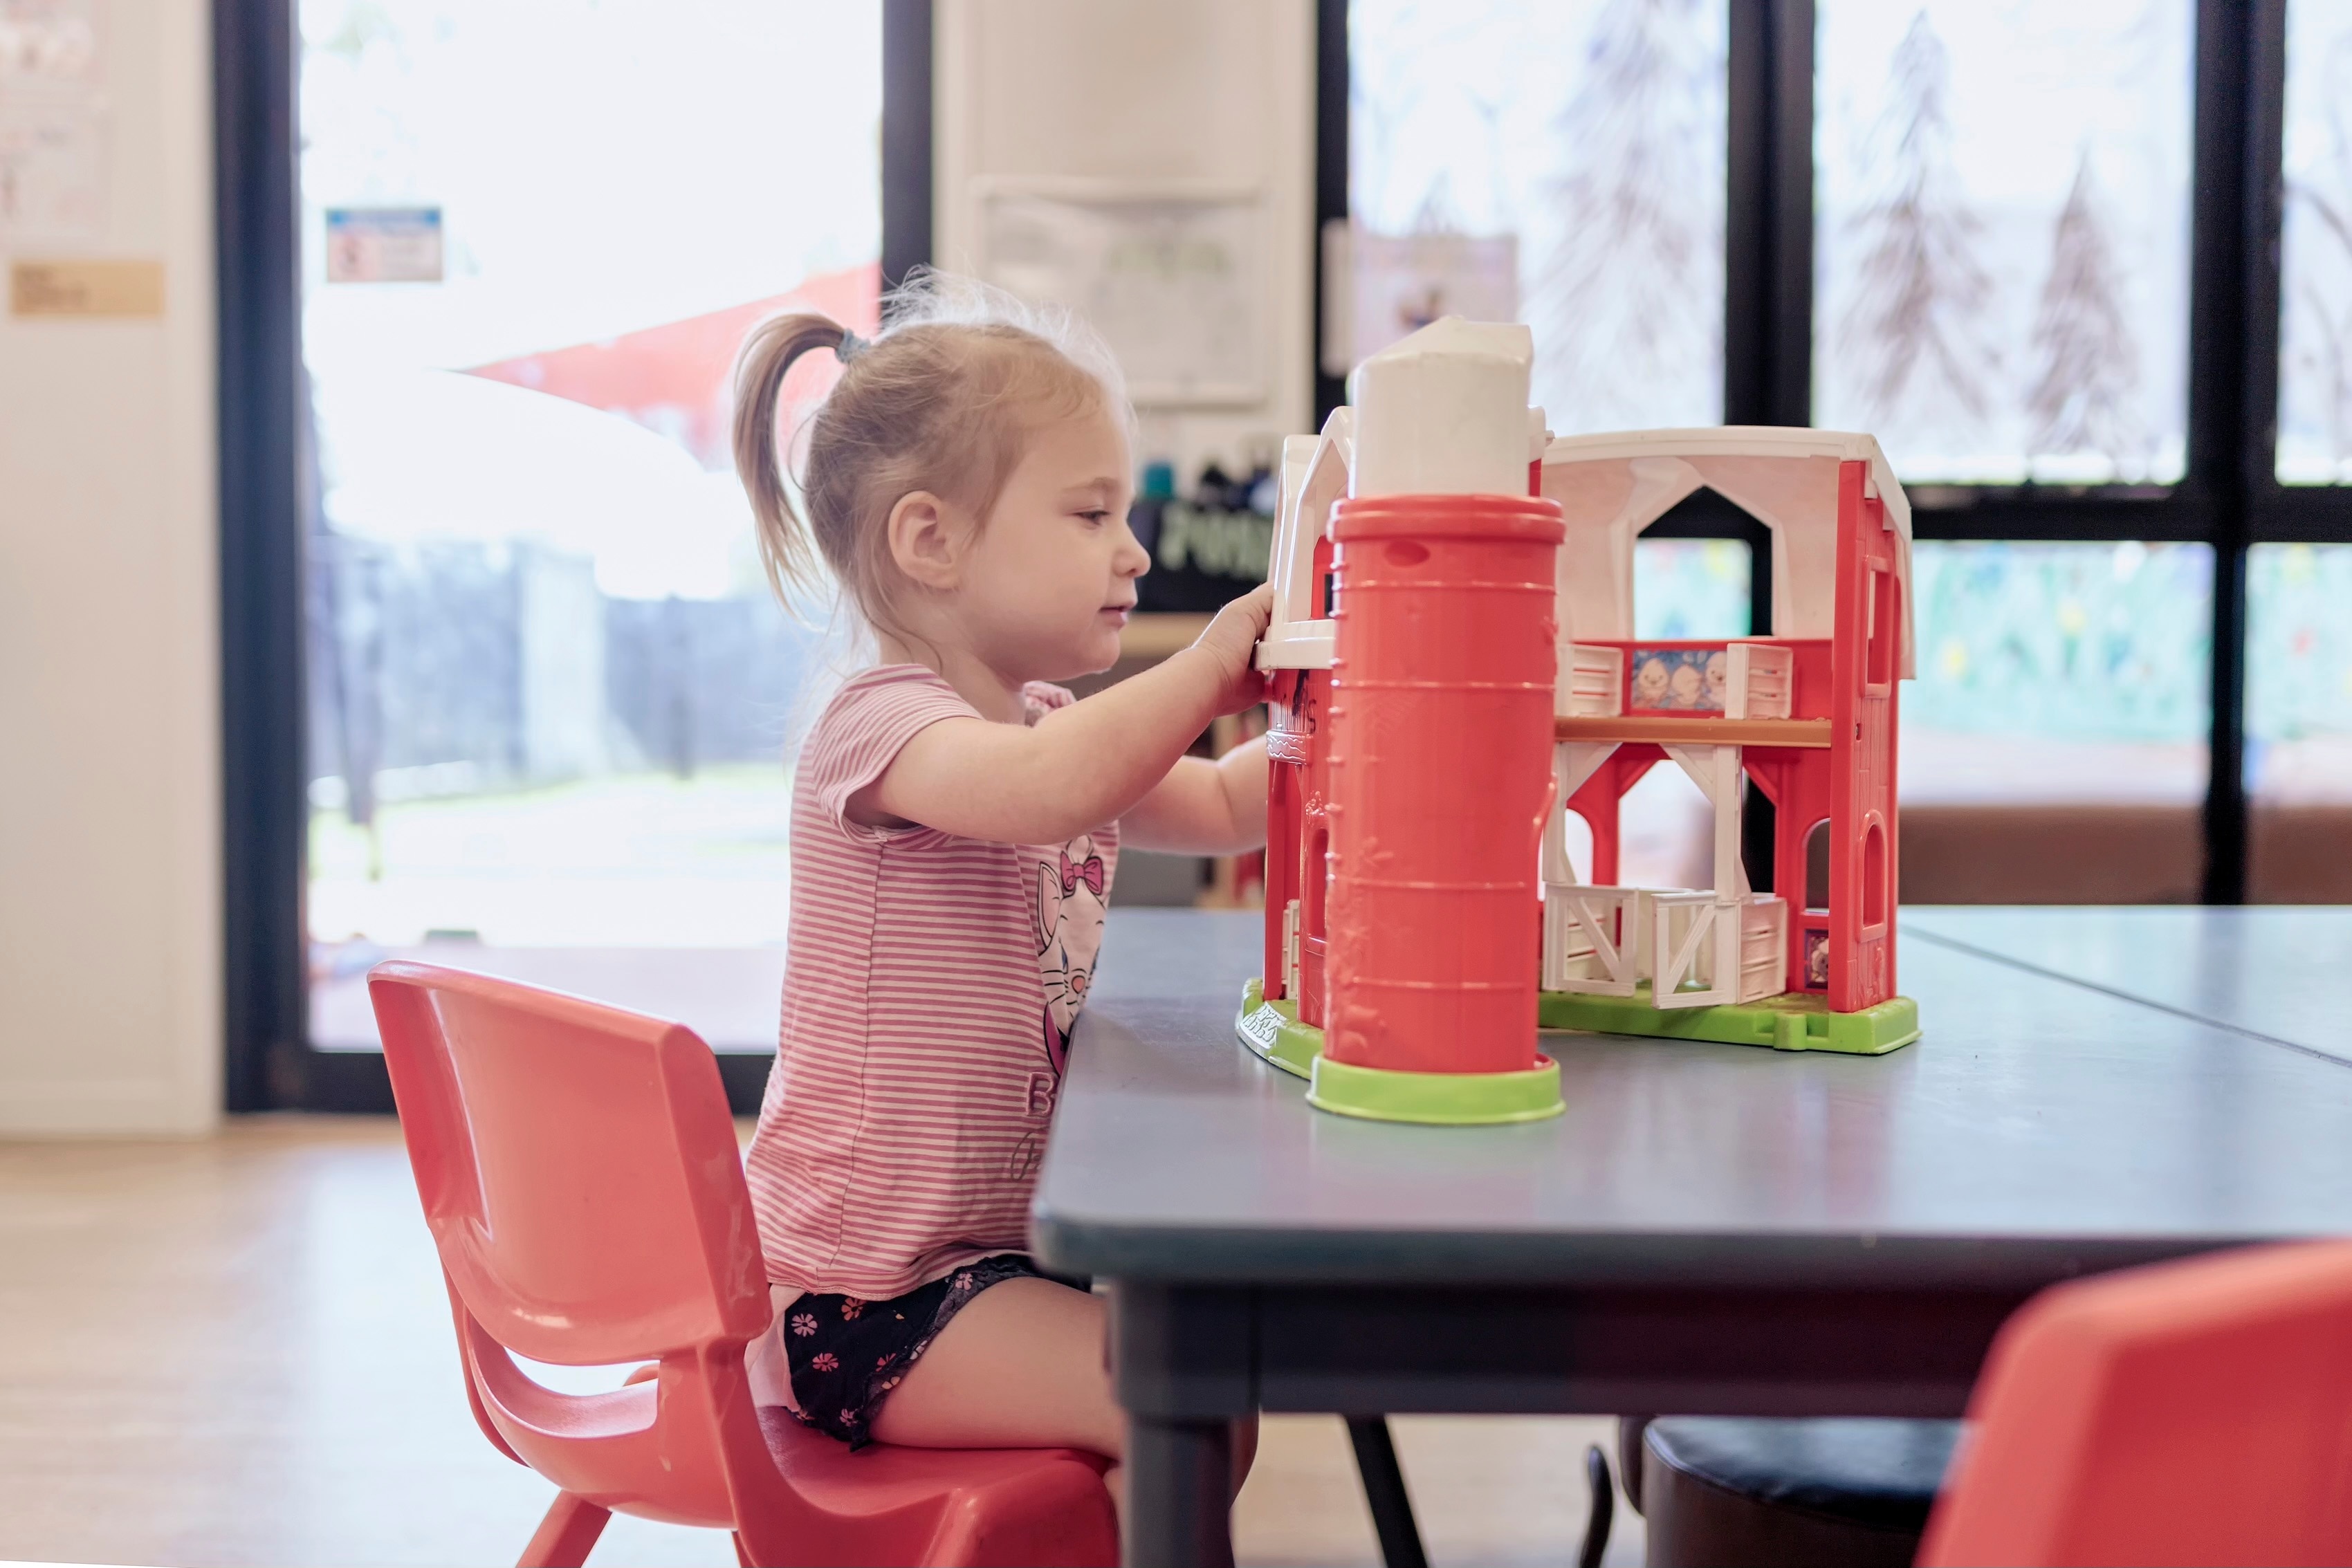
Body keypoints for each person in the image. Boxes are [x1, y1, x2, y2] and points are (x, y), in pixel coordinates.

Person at [729, 274, 1269, 1515]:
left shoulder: (1042, 723)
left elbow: (1230, 810)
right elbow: (1044, 792)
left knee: (1208, 1386)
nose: (1133, 549)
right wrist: (1201, 666)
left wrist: (1307, 708)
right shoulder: (881, 731)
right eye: (1090, 514)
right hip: (855, 1295)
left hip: (973, 1264)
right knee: (1183, 1396)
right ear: (931, 541)